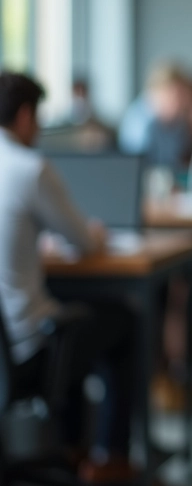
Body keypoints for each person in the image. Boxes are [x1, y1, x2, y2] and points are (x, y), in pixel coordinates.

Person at [0, 72, 139, 483]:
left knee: (76, 319)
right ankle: (109, 458)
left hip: (5, 344)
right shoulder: (29, 168)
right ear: (26, 116)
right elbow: (83, 241)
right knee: (123, 318)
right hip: (25, 347)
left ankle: (70, 448)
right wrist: (94, 232)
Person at [117, 62, 192, 174]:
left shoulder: (178, 123)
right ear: (158, 91)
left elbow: (177, 163)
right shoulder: (139, 122)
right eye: (177, 95)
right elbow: (137, 170)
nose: (181, 102)